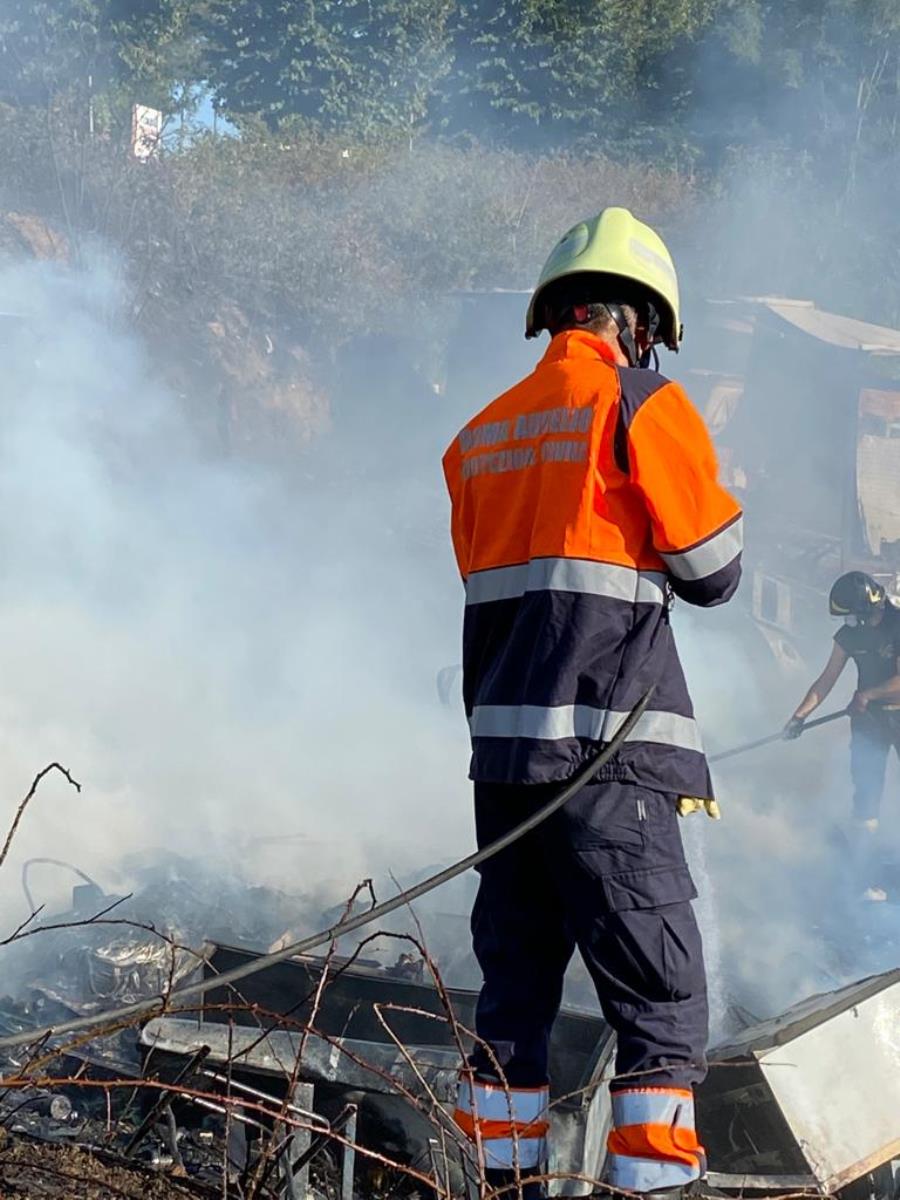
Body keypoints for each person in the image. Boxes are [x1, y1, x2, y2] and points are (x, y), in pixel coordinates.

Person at [442, 208, 742, 1197]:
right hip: (609, 766)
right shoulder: (640, 404)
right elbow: (713, 570)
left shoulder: (479, 436)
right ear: (640, 323)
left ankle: (505, 1188)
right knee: (661, 1005)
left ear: (554, 315)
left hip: (506, 775)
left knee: (513, 1007)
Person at [786, 570, 900, 898]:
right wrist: (799, 717)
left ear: (867, 608)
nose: (848, 622)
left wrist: (868, 695)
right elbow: (826, 679)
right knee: (866, 795)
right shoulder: (849, 635)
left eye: (851, 615)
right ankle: (865, 877)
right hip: (869, 722)